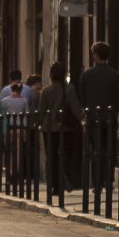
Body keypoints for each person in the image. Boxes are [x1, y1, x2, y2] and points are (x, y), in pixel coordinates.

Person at [77, 43, 119, 201]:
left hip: (93, 119)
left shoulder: (86, 75)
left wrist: (86, 115)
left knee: (96, 150)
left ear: (95, 55)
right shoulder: (115, 75)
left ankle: (97, 183)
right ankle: (109, 180)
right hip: (109, 118)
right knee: (110, 149)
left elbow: (82, 97)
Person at [35, 60, 83, 198]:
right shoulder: (70, 89)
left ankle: (56, 185)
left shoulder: (46, 91)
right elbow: (75, 108)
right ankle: (64, 176)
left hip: (49, 128)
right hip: (66, 128)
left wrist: (37, 124)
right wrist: (83, 119)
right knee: (65, 155)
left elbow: (41, 110)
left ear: (51, 75)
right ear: (64, 74)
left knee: (52, 156)